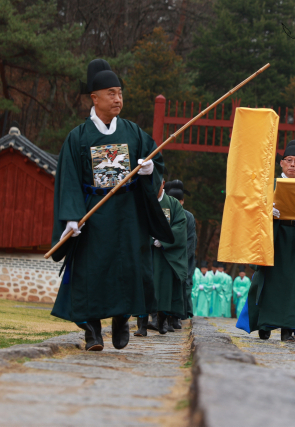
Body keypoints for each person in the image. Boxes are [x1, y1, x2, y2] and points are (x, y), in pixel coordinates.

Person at [50, 59, 173, 351]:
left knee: (128, 267)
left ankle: (121, 319)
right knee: (91, 270)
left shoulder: (133, 132)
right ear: (95, 98)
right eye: (111, 93)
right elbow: (68, 179)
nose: (118, 99)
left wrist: (149, 170)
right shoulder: (78, 137)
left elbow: (155, 159)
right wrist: (71, 217)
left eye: (120, 93)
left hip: (128, 214)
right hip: (94, 215)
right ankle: (92, 330)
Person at [237, 140, 295, 342]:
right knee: (268, 282)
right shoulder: (269, 185)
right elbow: (253, 208)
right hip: (274, 239)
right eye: (289, 160)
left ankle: (289, 328)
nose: (292, 165)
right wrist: (268, 211)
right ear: (281, 163)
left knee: (293, 286)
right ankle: (264, 325)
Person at [149, 179, 188, 334]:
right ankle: (145, 322)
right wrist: (149, 239)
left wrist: (163, 240)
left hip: (166, 255)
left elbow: (180, 226)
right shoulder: (145, 201)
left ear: (163, 183)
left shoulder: (173, 204)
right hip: (148, 253)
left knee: (165, 289)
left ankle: (163, 320)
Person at [165, 180, 197, 329]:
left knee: (182, 286)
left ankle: (177, 315)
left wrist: (182, 255)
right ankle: (164, 315)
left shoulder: (189, 217)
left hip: (184, 258)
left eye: (179, 200)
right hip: (167, 255)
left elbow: (191, 239)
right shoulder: (166, 214)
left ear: (183, 201)